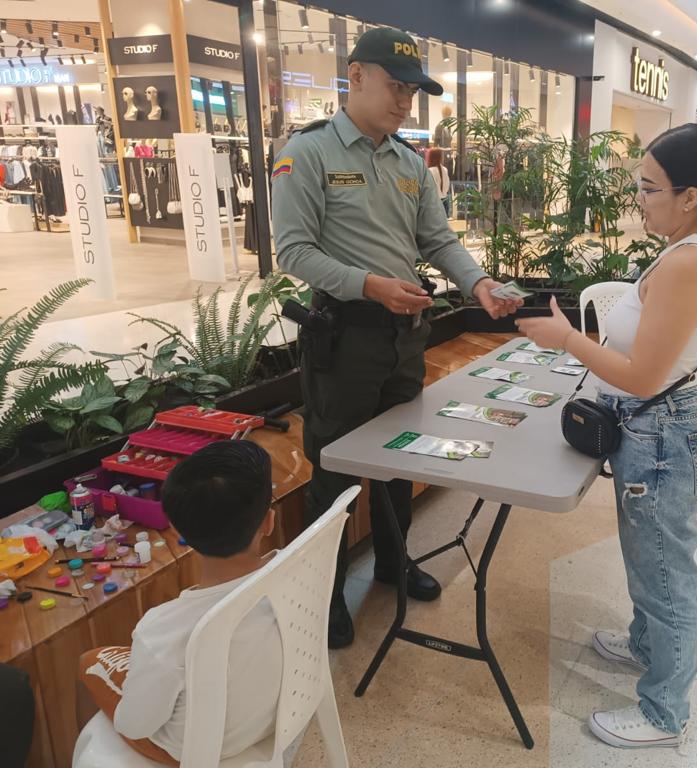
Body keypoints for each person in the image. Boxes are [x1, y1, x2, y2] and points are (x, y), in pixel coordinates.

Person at [271, 26, 521, 649]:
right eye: (395, 86)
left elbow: (436, 239)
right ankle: (323, 593)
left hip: (405, 337)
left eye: (413, 91)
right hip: (344, 339)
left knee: (401, 457)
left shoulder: (411, 163)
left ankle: (391, 562)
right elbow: (293, 251)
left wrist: (478, 283)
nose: (406, 100)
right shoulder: (308, 154)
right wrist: (371, 285)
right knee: (333, 473)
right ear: (355, 76)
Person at [518, 123, 697, 750]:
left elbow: (642, 377)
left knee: (666, 573)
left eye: (648, 188)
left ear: (689, 197)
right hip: (665, 430)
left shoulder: (688, 262)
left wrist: (566, 339)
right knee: (650, 558)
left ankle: (666, 713)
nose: (637, 198)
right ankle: (645, 647)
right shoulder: (692, 245)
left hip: (666, 434)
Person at [75, 441, 283, 764]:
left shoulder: (161, 631)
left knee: (90, 661)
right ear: (268, 522)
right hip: (268, 722)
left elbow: (134, 724)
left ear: (176, 529)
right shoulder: (295, 572)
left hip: (191, 750)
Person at [426, 147, 452, 218]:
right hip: (445, 201)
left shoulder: (430, 170)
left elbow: (428, 189)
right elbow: (447, 185)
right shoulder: (445, 169)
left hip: (434, 203)